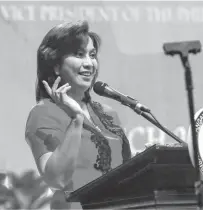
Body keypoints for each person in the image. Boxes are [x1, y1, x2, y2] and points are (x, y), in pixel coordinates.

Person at [24, 20, 132, 209]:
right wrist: (76, 120)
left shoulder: (108, 114)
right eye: (79, 55)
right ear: (56, 65)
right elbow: (56, 179)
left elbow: (128, 173)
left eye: (92, 55)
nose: (89, 63)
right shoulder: (43, 113)